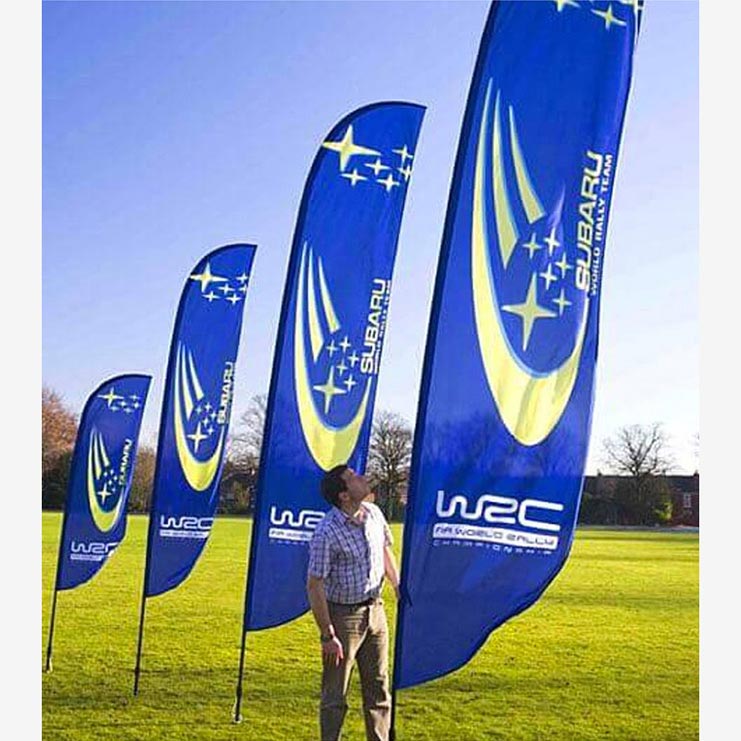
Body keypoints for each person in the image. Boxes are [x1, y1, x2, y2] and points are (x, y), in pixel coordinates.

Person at [306, 464, 400, 741]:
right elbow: (314, 584)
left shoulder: (374, 514)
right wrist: (327, 635)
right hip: (342, 617)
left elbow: (385, 551)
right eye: (352, 478)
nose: (360, 478)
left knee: (379, 688)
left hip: (376, 610)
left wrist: (397, 585)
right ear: (344, 495)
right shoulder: (327, 532)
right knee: (335, 693)